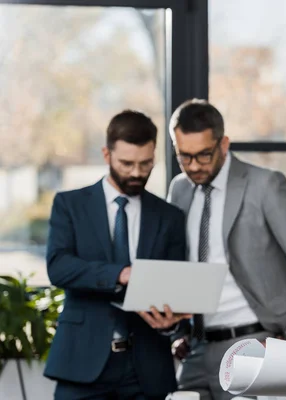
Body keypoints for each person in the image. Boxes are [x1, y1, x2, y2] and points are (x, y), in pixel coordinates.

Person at [167, 99, 286, 400]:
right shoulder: (179, 189)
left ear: (224, 144)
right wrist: (179, 332)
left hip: (255, 344)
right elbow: (183, 265)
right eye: (184, 156)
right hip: (196, 349)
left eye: (203, 155)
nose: (193, 166)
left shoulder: (264, 185)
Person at [44, 110, 191, 400]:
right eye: (127, 163)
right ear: (106, 154)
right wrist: (122, 274)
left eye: (146, 163)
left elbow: (175, 284)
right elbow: (58, 267)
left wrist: (171, 324)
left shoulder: (169, 217)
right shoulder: (70, 205)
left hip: (147, 370)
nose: (136, 173)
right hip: (82, 366)